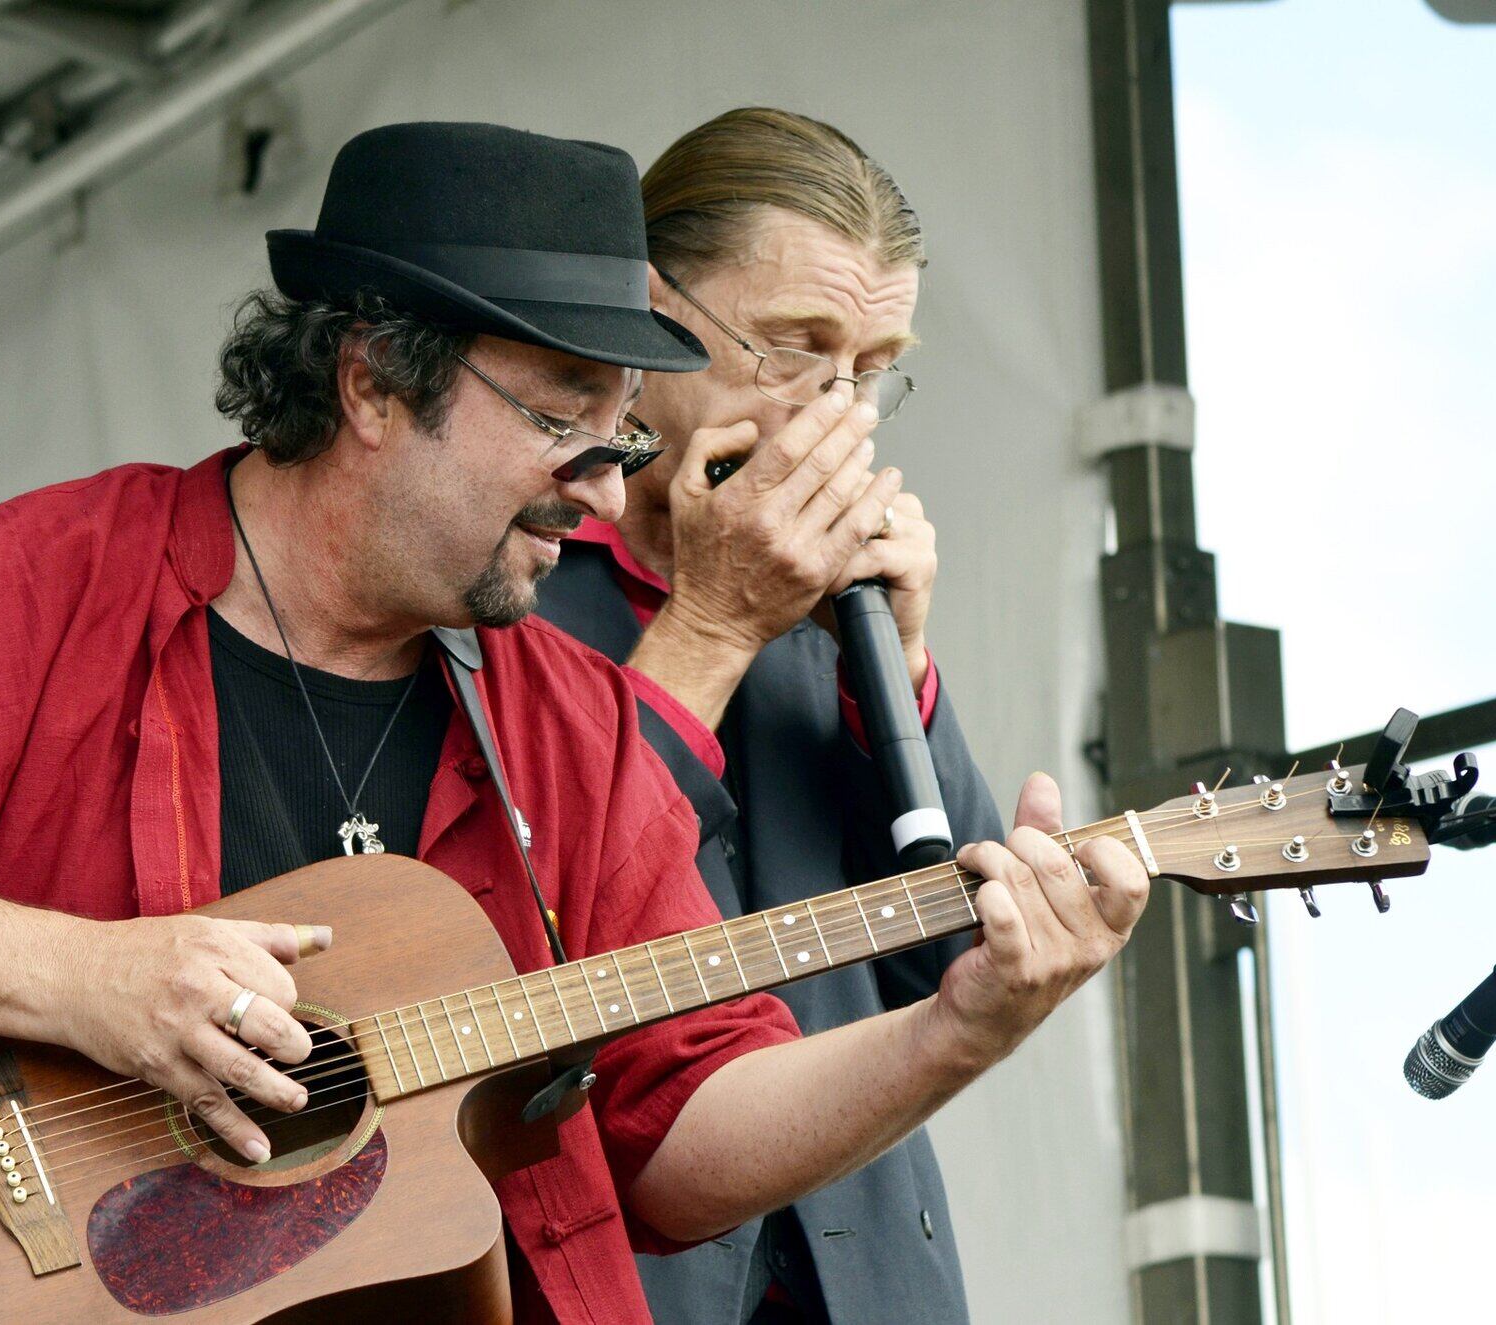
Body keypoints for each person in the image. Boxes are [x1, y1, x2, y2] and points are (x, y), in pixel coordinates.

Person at [0, 122, 1148, 1325]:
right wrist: (85, 979)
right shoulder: (47, 586)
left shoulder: (569, 724)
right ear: (368, 381)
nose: (605, 488)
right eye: (558, 417)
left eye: (619, 430)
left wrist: (959, 1030)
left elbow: (677, 1136)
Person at [535, 107, 993, 1324]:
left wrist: (897, 664)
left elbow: (948, 953)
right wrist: (714, 621)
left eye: (872, 367)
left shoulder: (827, 607)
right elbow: (537, 919)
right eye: (796, 346)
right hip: (616, 1270)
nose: (834, 412)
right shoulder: (500, 570)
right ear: (653, 305)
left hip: (866, 1273)